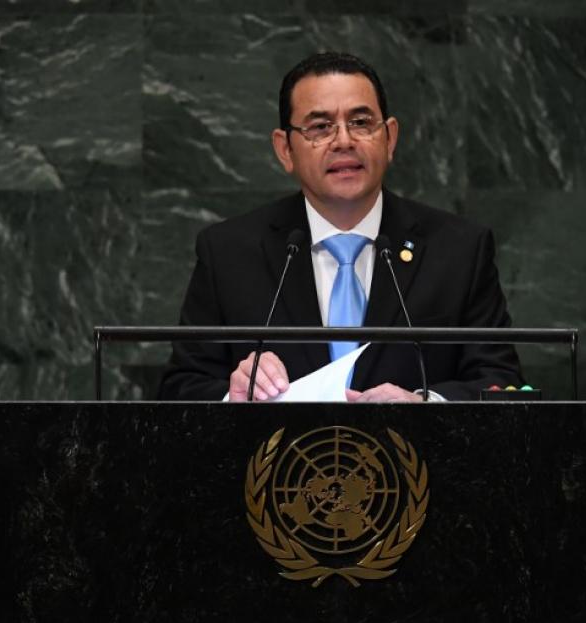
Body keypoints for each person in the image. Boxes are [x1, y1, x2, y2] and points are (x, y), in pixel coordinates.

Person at [158, 52, 523, 402]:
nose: (344, 141)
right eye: (320, 127)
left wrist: (425, 403)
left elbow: (501, 383)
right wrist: (233, 396)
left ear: (390, 137)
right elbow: (181, 388)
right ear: (285, 149)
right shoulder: (229, 253)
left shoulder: (458, 249)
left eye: (361, 123)